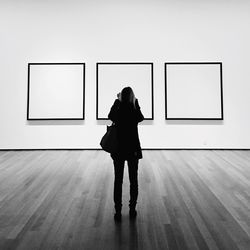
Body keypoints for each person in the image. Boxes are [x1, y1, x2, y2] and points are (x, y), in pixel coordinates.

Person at [108, 86, 144, 222]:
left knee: (118, 180)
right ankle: (132, 209)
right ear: (132, 97)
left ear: (121, 96)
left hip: (118, 149)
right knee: (133, 181)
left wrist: (117, 101)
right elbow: (141, 118)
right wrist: (136, 103)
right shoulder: (133, 109)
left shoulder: (119, 109)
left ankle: (118, 210)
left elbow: (110, 116)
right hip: (132, 149)